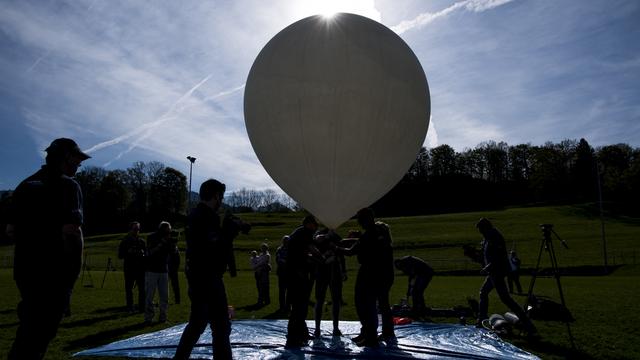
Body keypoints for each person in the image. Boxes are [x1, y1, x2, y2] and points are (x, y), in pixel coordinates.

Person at [6, 138, 90, 360]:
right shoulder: (69, 186)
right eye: (77, 159)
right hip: (55, 276)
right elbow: (72, 231)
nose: (79, 164)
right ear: (66, 157)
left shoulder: (24, 186)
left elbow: (11, 232)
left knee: (28, 333)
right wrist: (71, 277)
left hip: (25, 273)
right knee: (37, 338)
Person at [174, 179, 245, 360]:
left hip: (200, 276)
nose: (221, 201)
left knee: (201, 323)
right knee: (218, 326)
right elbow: (213, 246)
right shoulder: (207, 216)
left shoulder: (196, 214)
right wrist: (229, 233)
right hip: (207, 277)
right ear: (215, 196)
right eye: (220, 196)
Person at [335, 208, 395, 347]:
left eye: (360, 220)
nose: (358, 223)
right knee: (380, 304)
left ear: (364, 220)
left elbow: (351, 251)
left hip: (370, 274)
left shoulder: (368, 236)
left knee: (365, 304)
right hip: (383, 275)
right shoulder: (379, 235)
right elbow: (362, 242)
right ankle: (382, 332)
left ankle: (370, 336)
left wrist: (335, 247)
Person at [475, 218, 535, 334]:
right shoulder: (489, 237)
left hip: (497, 271)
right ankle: (481, 318)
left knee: (506, 299)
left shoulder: (495, 237)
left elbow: (498, 256)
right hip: (493, 272)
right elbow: (487, 254)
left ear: (485, 227)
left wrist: (488, 267)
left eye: (481, 230)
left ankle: (528, 324)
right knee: (484, 292)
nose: (480, 233)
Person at [285, 215, 321, 348]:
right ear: (308, 224)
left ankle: (302, 332)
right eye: (314, 224)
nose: (316, 227)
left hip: (295, 273)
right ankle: (294, 337)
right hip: (297, 275)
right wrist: (321, 258)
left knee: (301, 305)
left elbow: (304, 251)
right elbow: (311, 249)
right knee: (299, 307)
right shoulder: (304, 233)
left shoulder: (299, 232)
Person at [313, 228, 347, 337]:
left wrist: (343, 270)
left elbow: (341, 252)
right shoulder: (319, 234)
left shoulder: (335, 236)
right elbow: (314, 249)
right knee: (319, 299)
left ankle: (335, 328)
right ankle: (317, 328)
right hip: (322, 271)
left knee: (336, 299)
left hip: (335, 270)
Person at [144, 221, 172, 324]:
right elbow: (150, 252)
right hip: (152, 269)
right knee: (150, 295)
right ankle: (148, 318)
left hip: (164, 269)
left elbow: (172, 252)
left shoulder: (168, 238)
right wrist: (162, 243)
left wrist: (173, 244)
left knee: (164, 295)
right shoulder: (152, 237)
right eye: (167, 230)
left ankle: (163, 317)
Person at [118, 221, 146, 312]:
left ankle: (142, 307)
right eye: (135, 229)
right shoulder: (125, 241)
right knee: (129, 289)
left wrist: (143, 254)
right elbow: (120, 255)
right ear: (130, 229)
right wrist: (128, 252)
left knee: (142, 289)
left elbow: (147, 255)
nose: (137, 231)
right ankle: (130, 307)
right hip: (129, 268)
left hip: (140, 269)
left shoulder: (142, 241)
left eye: (138, 229)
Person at [250, 242, 272, 307]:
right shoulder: (261, 254)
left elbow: (262, 263)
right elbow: (259, 262)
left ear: (266, 248)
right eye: (262, 248)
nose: (263, 249)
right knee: (260, 287)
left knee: (264, 287)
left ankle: (264, 300)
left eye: (264, 248)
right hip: (260, 272)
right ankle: (263, 300)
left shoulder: (267, 255)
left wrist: (255, 267)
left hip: (264, 273)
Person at [275, 235, 290, 312]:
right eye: (285, 241)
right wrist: (285, 262)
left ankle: (288, 307)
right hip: (281, 272)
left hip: (290, 273)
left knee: (289, 291)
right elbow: (278, 259)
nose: (286, 242)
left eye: (287, 241)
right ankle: (282, 307)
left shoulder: (292, 249)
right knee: (282, 291)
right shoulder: (279, 249)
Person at [168, 233, 181, 304]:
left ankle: (177, 299)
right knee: (175, 285)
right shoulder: (174, 248)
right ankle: (177, 299)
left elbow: (177, 260)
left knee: (175, 285)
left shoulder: (173, 248)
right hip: (172, 268)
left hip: (171, 268)